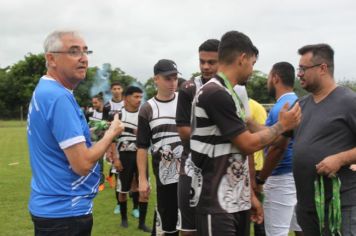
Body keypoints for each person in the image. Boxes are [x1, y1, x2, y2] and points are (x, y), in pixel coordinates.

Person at [189, 30, 301, 236]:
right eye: (252, 62)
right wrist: (282, 126)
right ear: (242, 59)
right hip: (216, 200)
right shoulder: (215, 93)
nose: (252, 69)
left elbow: (245, 147)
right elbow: (248, 144)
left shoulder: (230, 93)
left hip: (234, 199)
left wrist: (249, 196)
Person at [27, 30, 123, 236]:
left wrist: (96, 131)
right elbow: (82, 164)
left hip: (53, 210)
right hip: (65, 213)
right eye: (73, 51)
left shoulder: (45, 90)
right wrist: (111, 134)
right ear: (51, 58)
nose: (83, 58)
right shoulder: (59, 97)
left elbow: (59, 140)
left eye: (85, 51)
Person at [293, 44, 356, 236]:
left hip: (340, 206)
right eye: (298, 69)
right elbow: (276, 137)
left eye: (303, 69)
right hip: (308, 207)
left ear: (322, 68)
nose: (299, 74)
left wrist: (340, 159)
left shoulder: (348, 101)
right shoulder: (300, 105)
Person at [176, 39, 219, 236]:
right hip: (191, 165)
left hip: (220, 167)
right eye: (202, 61)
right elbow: (183, 130)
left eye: (211, 62)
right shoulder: (188, 88)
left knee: (217, 226)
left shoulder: (232, 89)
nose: (205, 66)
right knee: (189, 229)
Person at [256, 62, 302, 236]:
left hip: (280, 177)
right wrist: (252, 124)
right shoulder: (297, 102)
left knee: (276, 231)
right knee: (300, 227)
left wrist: (261, 179)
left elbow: (278, 147)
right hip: (297, 175)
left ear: (275, 78)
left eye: (269, 77)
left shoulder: (281, 108)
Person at [137, 59, 182, 236]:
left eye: (175, 78)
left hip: (189, 173)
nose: (173, 83)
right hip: (165, 177)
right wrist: (142, 179)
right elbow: (141, 147)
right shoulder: (147, 109)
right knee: (168, 226)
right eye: (167, 79)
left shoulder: (186, 101)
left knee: (190, 226)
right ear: (156, 79)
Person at [115, 86, 151, 232]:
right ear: (127, 98)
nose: (139, 100)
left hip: (140, 154)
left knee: (144, 188)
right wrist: (116, 158)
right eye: (136, 97)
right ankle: (124, 219)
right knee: (123, 190)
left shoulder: (144, 113)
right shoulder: (119, 115)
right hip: (123, 155)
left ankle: (142, 223)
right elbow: (112, 139)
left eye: (140, 97)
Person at [102, 81, 127, 214]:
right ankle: (119, 203)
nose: (117, 90)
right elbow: (105, 126)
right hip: (113, 144)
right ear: (111, 91)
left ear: (122, 90)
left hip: (127, 141)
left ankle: (135, 206)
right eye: (114, 89)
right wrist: (108, 148)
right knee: (118, 173)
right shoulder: (107, 106)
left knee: (132, 173)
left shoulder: (127, 103)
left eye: (119, 88)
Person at [88, 93, 106, 191]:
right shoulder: (91, 113)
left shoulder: (106, 113)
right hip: (93, 141)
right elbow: (89, 126)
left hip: (105, 141)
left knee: (103, 162)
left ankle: (103, 181)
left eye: (96, 103)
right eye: (93, 103)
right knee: (95, 161)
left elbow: (106, 126)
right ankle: (97, 181)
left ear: (101, 102)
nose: (94, 105)